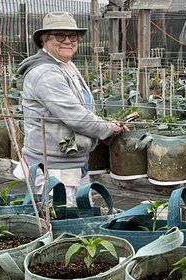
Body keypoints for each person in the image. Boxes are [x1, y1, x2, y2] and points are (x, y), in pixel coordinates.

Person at [16, 11, 126, 191]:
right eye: (59, 35)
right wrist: (107, 129)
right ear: (44, 40)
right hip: (54, 169)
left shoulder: (66, 65)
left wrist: (102, 127)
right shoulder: (45, 73)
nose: (67, 41)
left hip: (72, 161)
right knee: (61, 209)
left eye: (72, 36)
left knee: (80, 207)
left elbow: (82, 110)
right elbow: (75, 117)